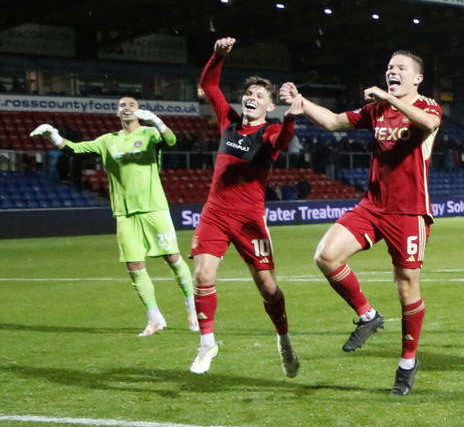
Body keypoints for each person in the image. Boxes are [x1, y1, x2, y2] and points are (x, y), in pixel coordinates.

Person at [279, 50, 440, 396]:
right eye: (389, 68)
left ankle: (408, 362)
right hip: (373, 206)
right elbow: (336, 121)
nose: (392, 72)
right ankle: (368, 316)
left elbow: (428, 126)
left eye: (400, 69)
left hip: (409, 212)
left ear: (417, 78)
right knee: (326, 255)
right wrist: (302, 102)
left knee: (406, 287)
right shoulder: (376, 110)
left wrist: (388, 99)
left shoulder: (427, 107)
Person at [29, 96, 197, 336]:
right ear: (117, 113)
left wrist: (158, 122)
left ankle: (192, 308)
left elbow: (171, 141)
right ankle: (154, 317)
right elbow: (75, 150)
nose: (126, 108)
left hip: (154, 208)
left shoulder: (149, 134)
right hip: (125, 212)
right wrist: (52, 134)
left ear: (138, 111)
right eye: (122, 106)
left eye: (131, 105)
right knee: (135, 265)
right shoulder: (108, 141)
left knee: (172, 258)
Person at [188, 37, 302, 377]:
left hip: (249, 220)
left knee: (267, 287)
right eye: (249, 94)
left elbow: (282, 140)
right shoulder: (228, 121)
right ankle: (207, 342)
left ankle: (283, 340)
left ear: (269, 106)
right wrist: (217, 55)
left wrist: (292, 118)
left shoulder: (271, 131)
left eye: (259, 96)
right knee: (203, 275)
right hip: (214, 213)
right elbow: (208, 83)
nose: (252, 98)